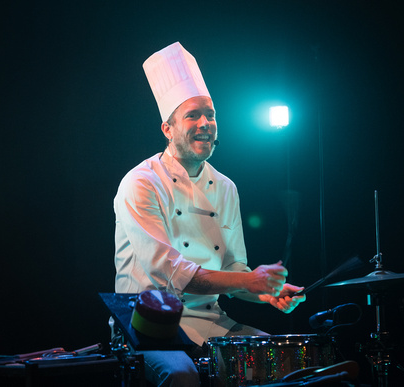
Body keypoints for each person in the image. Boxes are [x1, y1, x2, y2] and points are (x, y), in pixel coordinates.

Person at [113, 42, 306, 386]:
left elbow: (233, 269)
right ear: (167, 129)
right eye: (192, 115)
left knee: (284, 360)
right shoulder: (141, 183)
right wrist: (251, 280)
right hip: (148, 325)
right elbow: (173, 273)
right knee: (182, 376)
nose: (205, 123)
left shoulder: (226, 187)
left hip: (208, 320)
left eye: (211, 114)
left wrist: (265, 292)